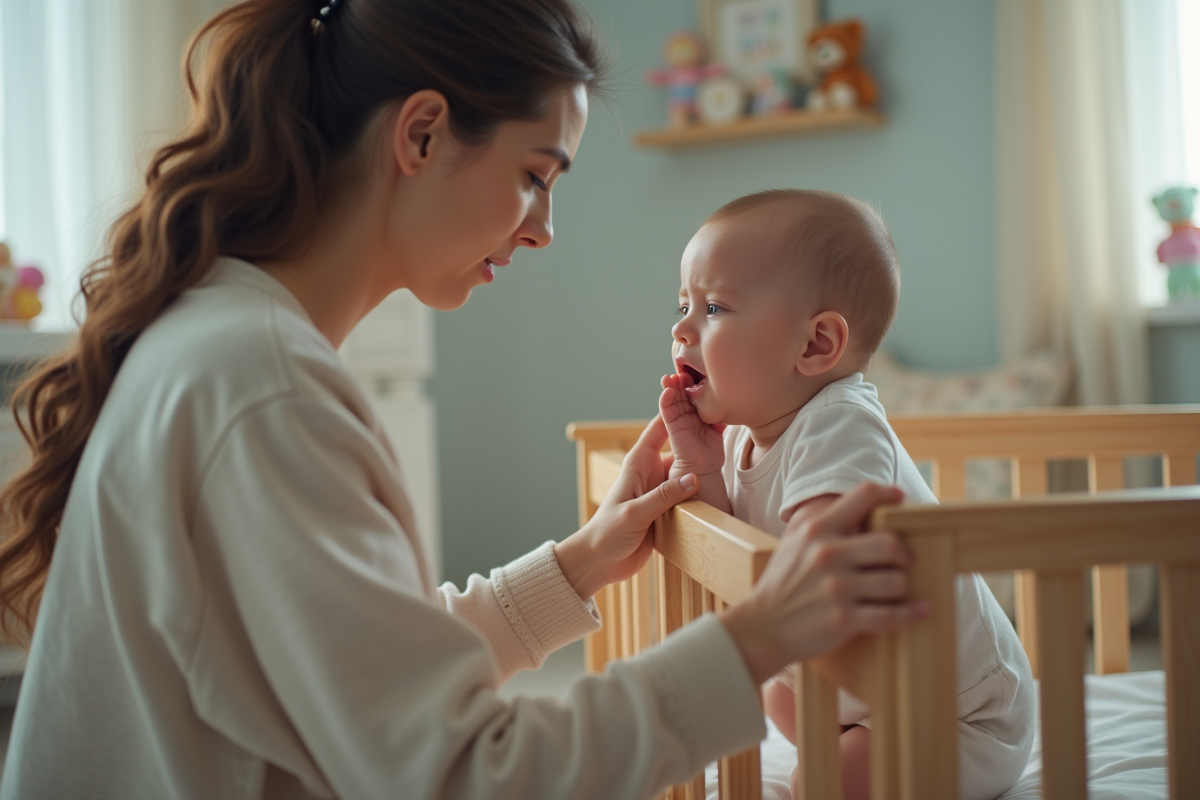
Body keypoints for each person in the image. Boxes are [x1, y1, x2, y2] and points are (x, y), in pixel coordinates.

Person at [0, 4, 928, 799]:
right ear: (421, 133)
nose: (546, 230)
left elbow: (370, 682)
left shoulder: (224, 343)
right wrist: (755, 638)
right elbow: (459, 773)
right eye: (535, 176)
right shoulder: (264, 390)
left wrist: (578, 565)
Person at [659, 189, 1035, 800]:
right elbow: (730, 548)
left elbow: (814, 558)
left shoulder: (842, 424)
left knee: (823, 783)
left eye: (715, 309)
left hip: (956, 714)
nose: (681, 328)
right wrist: (700, 465)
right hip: (868, 686)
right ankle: (852, 736)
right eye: (683, 305)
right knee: (776, 690)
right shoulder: (742, 439)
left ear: (816, 346)